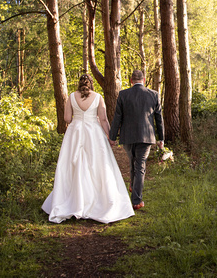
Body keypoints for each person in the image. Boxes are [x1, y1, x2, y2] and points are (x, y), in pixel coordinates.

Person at [42, 74, 134, 223]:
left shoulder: (72, 96)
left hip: (75, 132)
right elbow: (103, 119)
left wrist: (77, 118)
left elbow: (67, 119)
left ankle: (74, 201)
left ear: (79, 84)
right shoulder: (98, 97)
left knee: (74, 165)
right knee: (97, 166)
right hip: (93, 133)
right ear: (91, 84)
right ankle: (98, 202)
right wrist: (110, 137)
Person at [109, 70, 164, 210]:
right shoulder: (154, 95)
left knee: (133, 162)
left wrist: (112, 137)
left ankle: (134, 189)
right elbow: (159, 119)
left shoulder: (123, 94)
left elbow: (117, 118)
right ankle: (136, 201)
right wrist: (161, 138)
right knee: (140, 166)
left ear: (131, 80)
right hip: (146, 136)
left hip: (127, 136)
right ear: (144, 80)